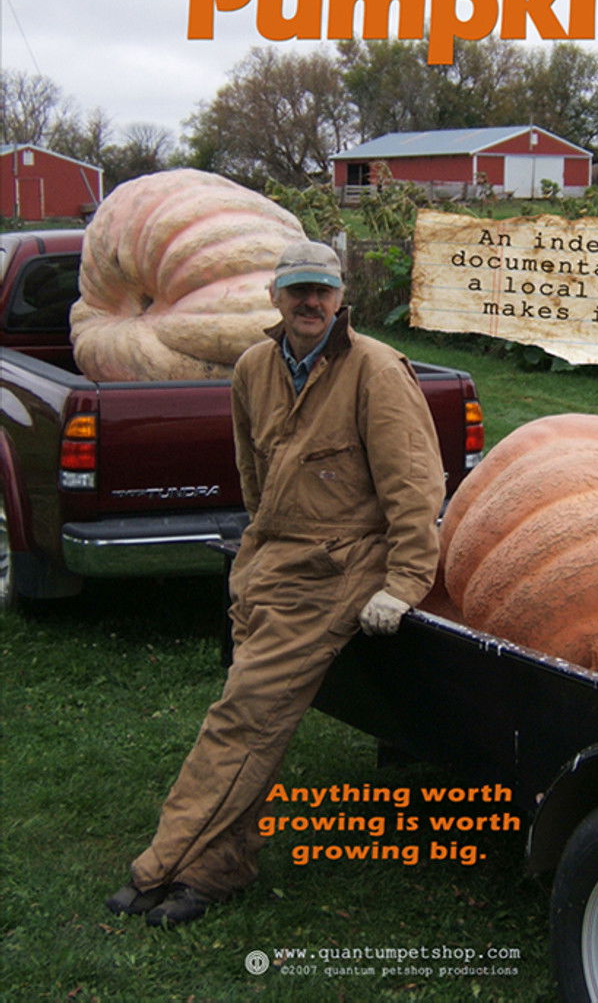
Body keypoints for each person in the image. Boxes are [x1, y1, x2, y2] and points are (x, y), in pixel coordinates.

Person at [106, 239, 446, 926]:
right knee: (257, 720)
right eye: (298, 289)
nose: (310, 302)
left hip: (338, 569)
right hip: (268, 564)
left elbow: (415, 485)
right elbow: (251, 469)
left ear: (341, 297)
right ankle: (218, 867)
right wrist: (257, 546)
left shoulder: (377, 371)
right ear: (275, 296)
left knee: (244, 717)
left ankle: (162, 865)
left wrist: (404, 581)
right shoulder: (254, 368)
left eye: (322, 290)